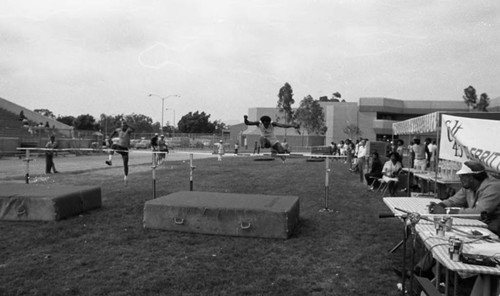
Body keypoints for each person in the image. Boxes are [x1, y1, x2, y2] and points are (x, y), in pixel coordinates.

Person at [429, 161, 500, 234]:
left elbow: (479, 213)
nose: (460, 179)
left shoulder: (493, 187)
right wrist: (440, 205)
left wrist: (447, 212)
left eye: (462, 176)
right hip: (481, 224)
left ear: (471, 177)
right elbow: (454, 201)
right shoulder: (469, 186)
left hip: (494, 228)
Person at [105, 120, 135, 185]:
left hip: (125, 149)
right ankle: (110, 160)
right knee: (113, 146)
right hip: (119, 147)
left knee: (125, 164)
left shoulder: (128, 130)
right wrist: (109, 138)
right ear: (121, 125)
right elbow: (114, 132)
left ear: (126, 126)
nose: (123, 126)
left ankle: (125, 178)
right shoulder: (119, 130)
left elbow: (134, 129)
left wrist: (128, 125)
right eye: (122, 125)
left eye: (124, 125)